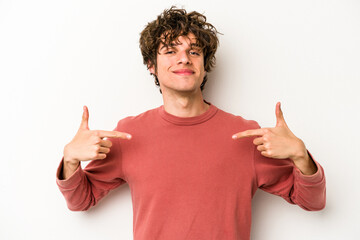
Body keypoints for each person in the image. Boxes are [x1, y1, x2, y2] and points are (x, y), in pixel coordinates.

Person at [56, 6, 326, 240]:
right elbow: (81, 201)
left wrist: (301, 156)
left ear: (204, 64)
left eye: (194, 51)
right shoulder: (129, 134)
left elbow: (312, 201)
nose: (184, 58)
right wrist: (70, 161)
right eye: (170, 51)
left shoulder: (245, 135)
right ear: (151, 64)